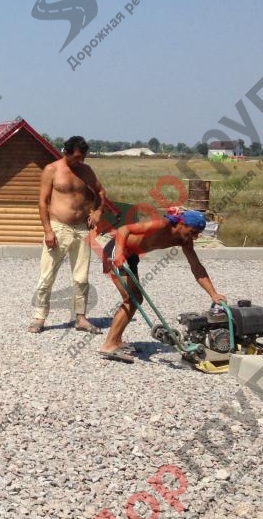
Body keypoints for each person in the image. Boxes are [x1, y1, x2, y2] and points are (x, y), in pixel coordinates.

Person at [98, 209, 227, 362]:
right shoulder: (162, 224)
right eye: (193, 232)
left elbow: (196, 266)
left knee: (136, 299)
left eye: (198, 234)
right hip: (116, 249)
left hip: (131, 256)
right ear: (182, 224)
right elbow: (124, 229)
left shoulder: (185, 240)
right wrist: (119, 253)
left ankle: (117, 340)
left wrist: (213, 294)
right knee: (132, 299)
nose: (195, 237)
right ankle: (109, 345)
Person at [29, 135, 106, 334]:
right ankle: (39, 318)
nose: (80, 161)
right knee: (47, 275)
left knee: (81, 277)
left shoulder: (86, 171)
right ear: (66, 152)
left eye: (83, 157)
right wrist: (48, 230)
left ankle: (80, 318)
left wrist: (98, 211)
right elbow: (42, 202)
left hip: (81, 228)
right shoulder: (52, 170)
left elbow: (100, 192)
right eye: (77, 157)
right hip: (58, 228)